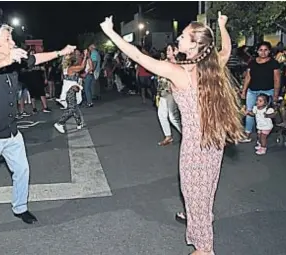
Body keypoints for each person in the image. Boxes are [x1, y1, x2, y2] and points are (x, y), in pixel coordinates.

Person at [101, 12, 243, 255]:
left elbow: (137, 56)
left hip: (196, 146)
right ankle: (201, 228)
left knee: (194, 195)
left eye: (183, 36)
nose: (178, 38)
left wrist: (110, 32)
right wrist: (222, 26)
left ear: (195, 44)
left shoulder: (177, 71)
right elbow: (227, 50)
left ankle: (205, 249)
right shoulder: (210, 66)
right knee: (205, 192)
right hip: (214, 141)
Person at [0, 24, 76, 239]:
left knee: (22, 171)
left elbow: (35, 59)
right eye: (7, 38)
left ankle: (20, 207)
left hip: (11, 131)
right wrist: (7, 59)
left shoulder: (13, 57)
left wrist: (61, 52)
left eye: (11, 38)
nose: (12, 42)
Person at [157, 43, 182, 146]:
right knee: (161, 115)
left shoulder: (179, 63)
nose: (167, 52)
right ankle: (168, 136)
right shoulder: (164, 63)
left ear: (175, 50)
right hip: (163, 91)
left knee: (172, 116)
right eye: (166, 50)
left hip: (172, 92)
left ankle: (187, 134)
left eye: (169, 50)